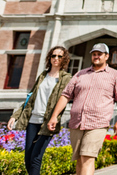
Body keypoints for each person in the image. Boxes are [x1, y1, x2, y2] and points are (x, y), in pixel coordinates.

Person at [47, 43, 117, 175]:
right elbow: (66, 96)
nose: (96, 56)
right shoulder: (80, 74)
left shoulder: (114, 75)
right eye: (94, 54)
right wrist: (54, 116)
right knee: (79, 159)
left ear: (106, 56)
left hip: (98, 123)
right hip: (76, 123)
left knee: (87, 158)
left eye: (99, 54)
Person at [7, 46, 72, 175]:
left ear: (64, 59)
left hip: (48, 122)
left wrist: (54, 117)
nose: (56, 59)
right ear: (50, 57)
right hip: (32, 120)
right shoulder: (43, 75)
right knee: (28, 158)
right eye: (53, 56)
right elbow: (30, 97)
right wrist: (15, 115)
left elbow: (64, 99)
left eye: (60, 56)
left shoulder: (66, 78)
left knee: (36, 157)